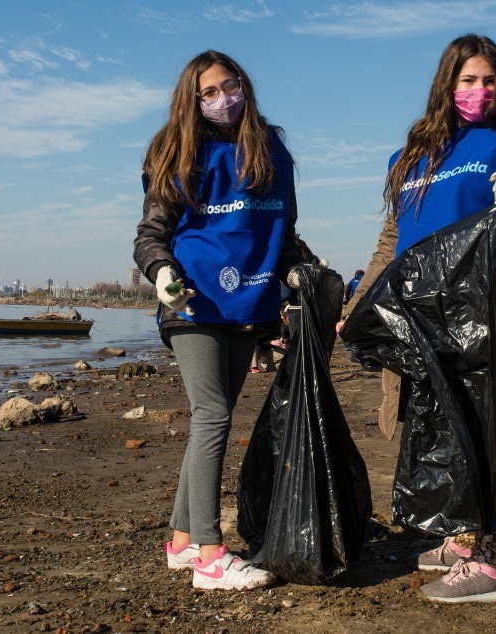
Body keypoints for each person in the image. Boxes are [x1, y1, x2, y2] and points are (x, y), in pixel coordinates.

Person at [341, 34, 496, 603]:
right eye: (469, 80)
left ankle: (490, 567)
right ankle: (464, 542)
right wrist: (355, 307)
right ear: (448, 84)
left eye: (489, 80)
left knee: (484, 433)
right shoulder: (415, 155)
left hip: (480, 317)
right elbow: (390, 242)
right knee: (442, 430)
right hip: (418, 320)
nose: (480, 91)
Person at [133, 50, 309, 591]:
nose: (222, 98)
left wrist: (302, 273)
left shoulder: (270, 151)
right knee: (211, 416)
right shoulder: (176, 151)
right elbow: (150, 235)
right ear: (192, 100)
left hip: (248, 303)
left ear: (244, 86)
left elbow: (280, 230)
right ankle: (212, 552)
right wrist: (161, 273)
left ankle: (182, 541)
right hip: (193, 300)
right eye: (208, 92)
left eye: (229, 86)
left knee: (215, 413)